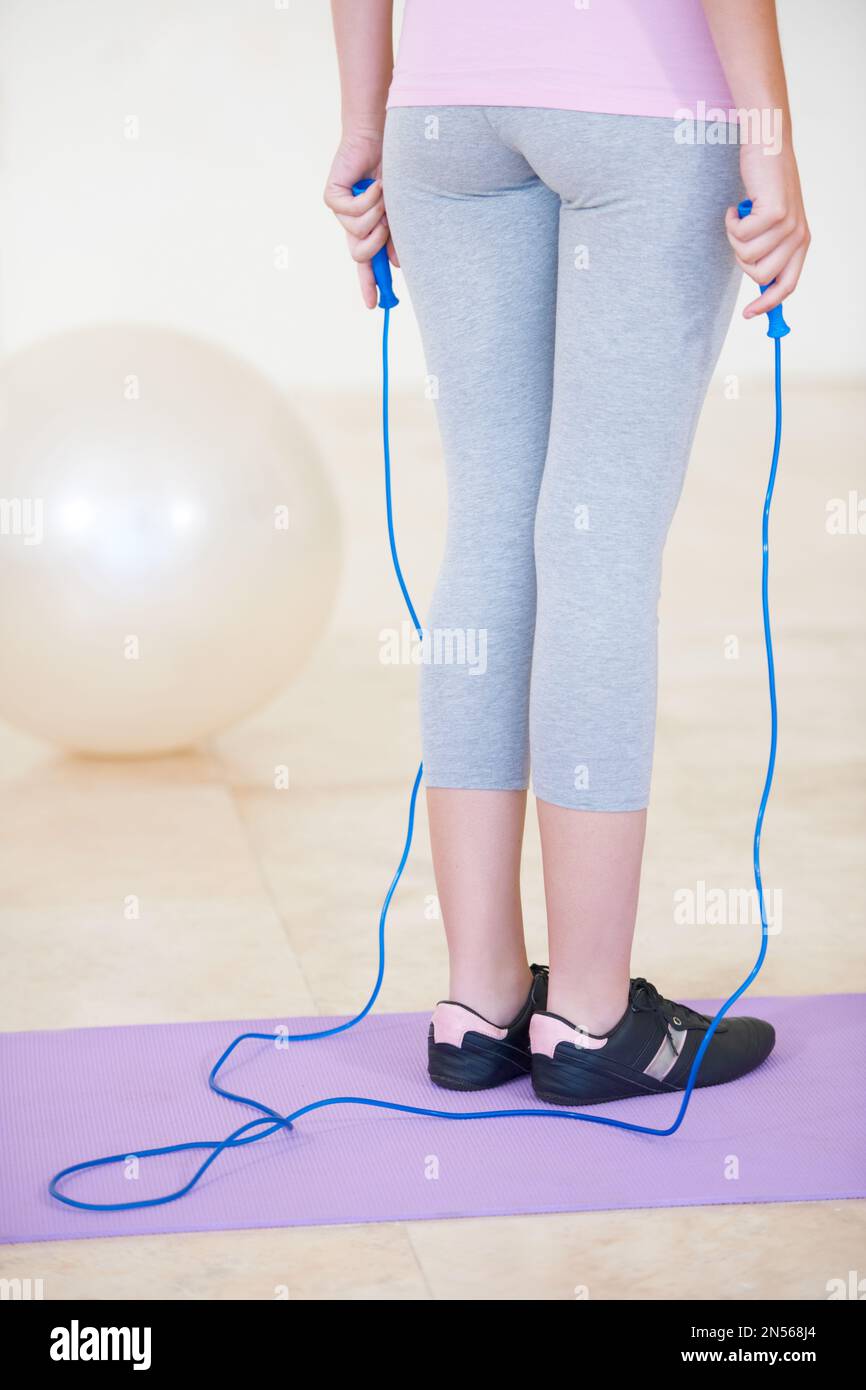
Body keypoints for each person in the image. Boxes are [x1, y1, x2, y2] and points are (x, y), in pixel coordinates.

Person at [325, 0, 809, 1106]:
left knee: (492, 515)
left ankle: (479, 999)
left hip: (443, 114)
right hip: (636, 108)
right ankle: (591, 1018)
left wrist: (363, 120)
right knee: (597, 534)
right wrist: (768, 146)